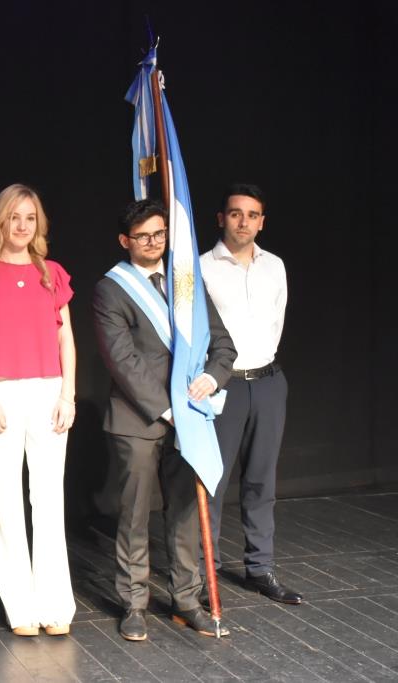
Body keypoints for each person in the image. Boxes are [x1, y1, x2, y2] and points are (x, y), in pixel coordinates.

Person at [93, 198, 237, 641]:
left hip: (190, 418)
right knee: (135, 514)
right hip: (141, 419)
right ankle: (133, 603)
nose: (153, 242)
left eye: (159, 234)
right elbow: (123, 362)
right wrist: (168, 408)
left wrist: (213, 378)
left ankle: (186, 599)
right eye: (143, 236)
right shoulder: (111, 289)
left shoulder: (185, 282)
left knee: (185, 513)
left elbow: (222, 344)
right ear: (125, 241)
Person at [0, 184, 77, 637]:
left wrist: (68, 394)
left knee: (49, 500)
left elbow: (66, 338)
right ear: (0, 222)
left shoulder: (53, 274)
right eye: (14, 217)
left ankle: (54, 606)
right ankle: (21, 607)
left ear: (38, 223)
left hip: (49, 392)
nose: (22, 226)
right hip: (2, 393)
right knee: (5, 500)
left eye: (30, 217)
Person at [201, 183, 301, 604]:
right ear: (221, 218)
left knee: (261, 480)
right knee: (213, 483)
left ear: (262, 221)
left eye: (253, 215)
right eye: (236, 213)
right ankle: (206, 573)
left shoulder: (274, 265)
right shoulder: (201, 267)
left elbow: (275, 323)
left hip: (268, 382)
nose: (244, 222)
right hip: (223, 386)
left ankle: (260, 567)